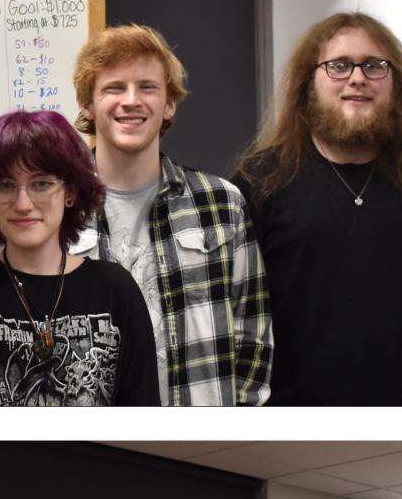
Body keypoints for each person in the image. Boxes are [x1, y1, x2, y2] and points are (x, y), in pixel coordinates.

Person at [234, 11, 402, 405]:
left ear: (396, 83)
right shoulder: (261, 179)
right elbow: (232, 311)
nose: (358, 78)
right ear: (308, 84)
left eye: (375, 65)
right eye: (338, 65)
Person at [72, 24, 272, 405]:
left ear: (169, 104)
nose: (131, 100)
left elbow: (254, 333)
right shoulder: (56, 211)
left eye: (147, 87)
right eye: (114, 88)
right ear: (87, 104)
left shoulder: (221, 205)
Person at [0, 110, 159, 405]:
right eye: (5, 184)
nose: (23, 204)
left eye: (41, 184)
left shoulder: (115, 289)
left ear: (70, 191)